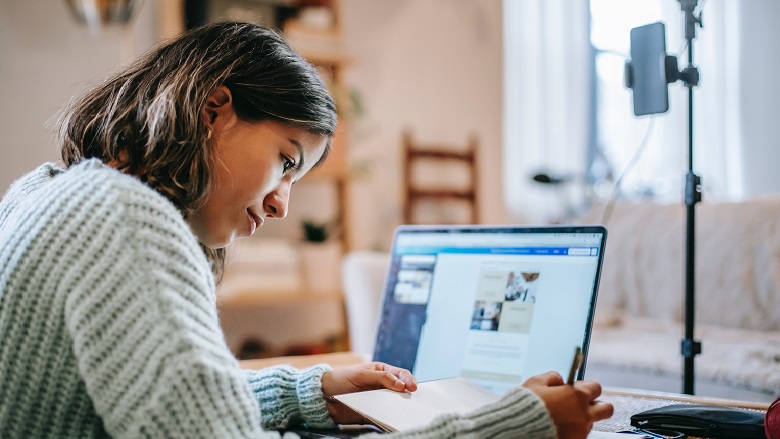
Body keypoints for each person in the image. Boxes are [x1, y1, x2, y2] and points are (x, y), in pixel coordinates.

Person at [0, 21, 612, 438]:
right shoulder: (126, 221)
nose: (281, 206)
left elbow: (170, 399)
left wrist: (315, 392)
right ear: (215, 108)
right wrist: (509, 425)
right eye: (287, 161)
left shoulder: (51, 188)